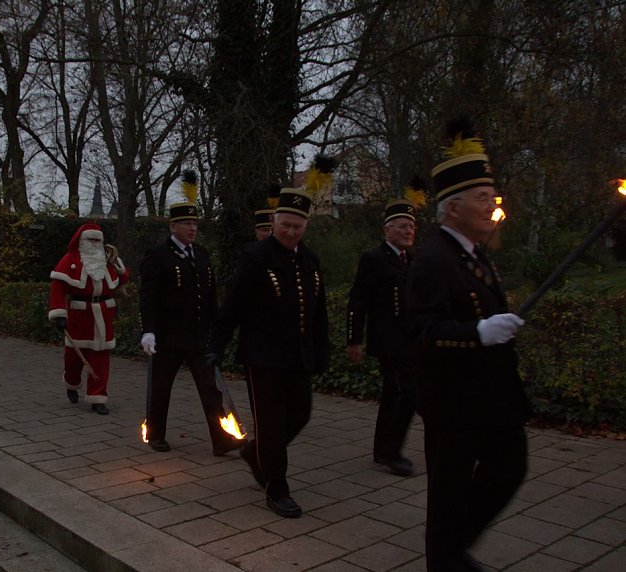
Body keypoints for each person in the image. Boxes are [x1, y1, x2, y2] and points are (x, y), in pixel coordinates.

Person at [407, 119, 529, 571]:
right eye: (482, 198)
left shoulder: (477, 254)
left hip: (493, 398)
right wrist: (477, 333)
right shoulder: (433, 260)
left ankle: (452, 550)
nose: (491, 205)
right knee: (449, 491)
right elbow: (423, 332)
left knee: (509, 466)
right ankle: (447, 558)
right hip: (454, 401)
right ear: (453, 207)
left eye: (491, 197)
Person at [206, 161, 331, 519]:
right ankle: (276, 488)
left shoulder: (310, 260)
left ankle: (255, 453)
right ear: (275, 222)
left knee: (301, 415)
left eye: (298, 226)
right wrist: (217, 344)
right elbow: (233, 305)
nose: (291, 231)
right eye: (286, 224)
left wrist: (322, 351)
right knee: (273, 425)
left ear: (306, 226)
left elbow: (317, 311)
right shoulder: (256, 257)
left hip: (299, 357)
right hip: (263, 358)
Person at [139, 171, 244, 456]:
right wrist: (148, 329)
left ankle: (221, 439)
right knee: (161, 388)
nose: (192, 228)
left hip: (198, 336)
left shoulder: (202, 254)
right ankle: (157, 434)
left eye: (195, 223)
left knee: (210, 389)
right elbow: (148, 295)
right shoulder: (158, 255)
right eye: (186, 223)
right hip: (168, 336)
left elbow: (209, 295)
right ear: (173, 226)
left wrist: (217, 328)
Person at [347, 196, 419, 477]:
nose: (408, 231)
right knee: (407, 392)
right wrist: (355, 339)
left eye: (412, 227)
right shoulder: (374, 259)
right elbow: (358, 301)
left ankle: (382, 449)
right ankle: (392, 452)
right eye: (402, 226)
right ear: (387, 230)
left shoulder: (412, 260)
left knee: (393, 394)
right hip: (388, 340)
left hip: (409, 340)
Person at [48, 222, 130, 415]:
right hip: (79, 314)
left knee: (101, 358)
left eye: (97, 240)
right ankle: (72, 383)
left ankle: (97, 397)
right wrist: (59, 314)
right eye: (90, 240)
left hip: (103, 312)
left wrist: (118, 266)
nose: (94, 243)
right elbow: (58, 288)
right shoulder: (70, 260)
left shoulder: (108, 261)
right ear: (82, 241)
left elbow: (123, 278)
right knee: (74, 358)